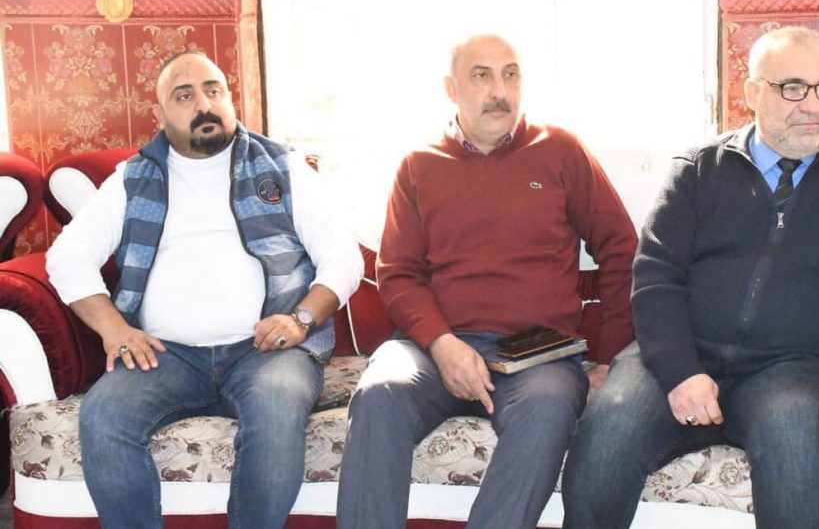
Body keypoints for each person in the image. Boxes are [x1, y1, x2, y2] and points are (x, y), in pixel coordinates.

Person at [561, 26, 819, 529]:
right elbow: (655, 278)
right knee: (607, 434)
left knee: (794, 446)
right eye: (794, 88)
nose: (814, 105)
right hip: (682, 354)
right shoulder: (697, 170)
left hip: (800, 369)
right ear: (752, 93)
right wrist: (680, 372)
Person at [45, 51, 364, 528]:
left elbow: (342, 255)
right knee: (103, 417)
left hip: (267, 352)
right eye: (185, 96)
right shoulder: (133, 179)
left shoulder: (283, 168)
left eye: (214, 90)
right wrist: (113, 328)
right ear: (160, 113)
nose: (204, 104)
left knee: (276, 414)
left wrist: (300, 320)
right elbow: (67, 256)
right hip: (166, 355)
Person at [336, 34, 638, 529]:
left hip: (539, 358)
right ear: (451, 88)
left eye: (510, 75)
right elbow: (398, 274)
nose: (499, 91)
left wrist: (610, 357)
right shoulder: (419, 165)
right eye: (481, 76)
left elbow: (621, 248)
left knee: (548, 409)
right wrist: (442, 345)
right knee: (379, 392)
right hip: (432, 350)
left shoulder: (559, 151)